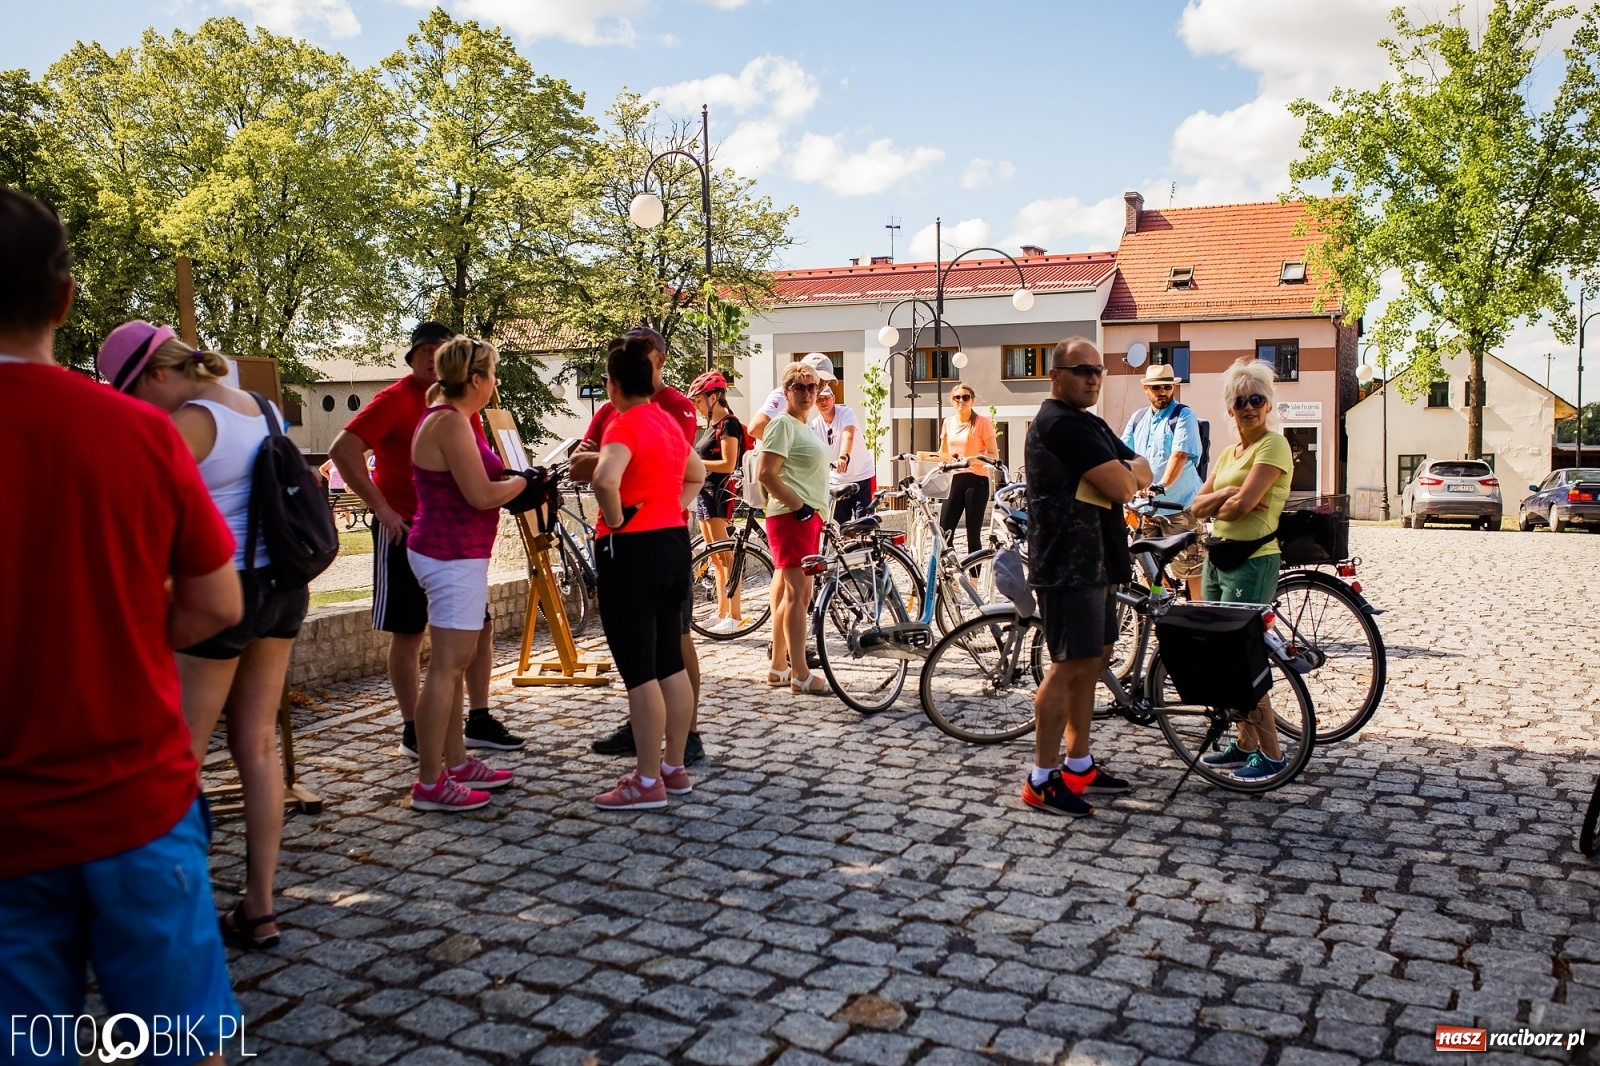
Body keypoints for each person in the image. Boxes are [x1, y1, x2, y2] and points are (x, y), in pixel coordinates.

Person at [0, 187, 245, 1063]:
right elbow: (219, 604)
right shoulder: (138, 434)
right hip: (133, 796)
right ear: (64, 301)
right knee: (184, 1044)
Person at [95, 321, 307, 948]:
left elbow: (139, 515)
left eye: (132, 392)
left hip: (223, 594)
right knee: (259, 747)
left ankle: (170, 913)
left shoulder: (186, 423)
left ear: (156, 374)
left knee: (180, 756)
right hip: (284, 591)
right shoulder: (263, 407)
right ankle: (260, 907)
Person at [328, 322, 523, 759]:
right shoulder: (397, 400)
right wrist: (381, 507)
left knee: (478, 632)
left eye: (442, 350)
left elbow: (476, 470)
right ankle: (416, 729)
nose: (433, 359)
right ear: (414, 356)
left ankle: (476, 719)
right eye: (426, 351)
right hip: (411, 531)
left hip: (457, 541)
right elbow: (343, 450)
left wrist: (509, 479)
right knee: (410, 633)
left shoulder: (457, 409)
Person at [1023, 338, 1151, 817]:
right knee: (1069, 665)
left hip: (1099, 559)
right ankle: (1041, 778)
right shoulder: (1058, 423)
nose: (1093, 378)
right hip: (1068, 564)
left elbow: (1145, 466)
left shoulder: (1090, 423)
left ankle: (1079, 766)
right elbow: (1124, 483)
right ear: (1056, 375)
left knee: (1094, 658)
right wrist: (1124, 475)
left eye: (1098, 370)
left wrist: (1125, 473)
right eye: (1082, 370)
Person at [575, 327, 707, 765]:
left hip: (632, 548)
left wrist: (616, 519)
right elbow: (697, 475)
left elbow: (602, 478)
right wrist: (670, 505)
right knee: (669, 662)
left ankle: (647, 778)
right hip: (672, 539)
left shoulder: (623, 422)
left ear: (612, 386)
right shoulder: (666, 420)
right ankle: (673, 767)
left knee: (639, 673)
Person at [406, 336, 528, 811]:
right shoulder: (450, 422)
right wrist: (523, 482)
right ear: (475, 379)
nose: (495, 383)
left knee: (453, 667)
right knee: (445, 668)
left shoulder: (453, 418)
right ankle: (430, 782)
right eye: (493, 374)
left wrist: (515, 482)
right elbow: (479, 494)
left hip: (457, 552)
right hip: (450, 554)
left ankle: (455, 762)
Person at [1188, 357, 1295, 782]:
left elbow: (1244, 507)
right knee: (1223, 658)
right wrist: (1230, 490)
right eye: (1240, 401)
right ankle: (1245, 743)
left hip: (1252, 559)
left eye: (1256, 399)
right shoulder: (1232, 452)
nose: (1248, 407)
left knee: (1245, 657)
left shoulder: (1274, 446)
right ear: (1230, 409)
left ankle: (1271, 753)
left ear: (1268, 405)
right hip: (1218, 556)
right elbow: (1197, 506)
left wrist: (1231, 499)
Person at [758, 360, 832, 694]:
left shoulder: (804, 424)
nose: (806, 393)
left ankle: (779, 667)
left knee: (792, 595)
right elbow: (766, 473)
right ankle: (801, 675)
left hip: (803, 517)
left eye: (812, 386)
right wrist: (799, 507)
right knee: (800, 596)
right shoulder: (783, 424)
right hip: (792, 518)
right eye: (799, 387)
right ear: (786, 391)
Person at [1120, 363, 1205, 599]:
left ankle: (1200, 617)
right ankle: (1157, 610)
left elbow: (1179, 455)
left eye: (1167, 387)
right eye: (1157, 387)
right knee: (1147, 564)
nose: (1163, 392)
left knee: (1191, 567)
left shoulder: (1183, 415)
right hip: (1146, 508)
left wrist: (1161, 486)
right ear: (1146, 389)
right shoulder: (1138, 418)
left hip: (1180, 505)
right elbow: (1124, 454)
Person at [688, 370, 747, 635]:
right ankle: (721, 611)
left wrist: (693, 463)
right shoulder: (711, 427)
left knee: (727, 557)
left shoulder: (729, 424)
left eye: (699, 401)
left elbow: (728, 463)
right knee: (715, 560)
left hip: (719, 494)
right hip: (704, 493)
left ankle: (735, 615)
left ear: (713, 397)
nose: (697, 407)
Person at [937, 382, 999, 555]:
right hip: (954, 480)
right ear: (952, 400)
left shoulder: (982, 423)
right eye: (957, 397)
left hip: (976, 481)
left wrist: (972, 460)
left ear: (973, 400)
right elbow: (943, 454)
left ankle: (974, 579)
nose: (961, 401)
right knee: (944, 533)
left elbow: (994, 456)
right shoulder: (948, 423)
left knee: (973, 536)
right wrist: (926, 459)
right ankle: (953, 576)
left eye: (965, 397)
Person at [811, 384, 876, 523]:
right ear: (814, 403)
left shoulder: (846, 413)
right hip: (836, 483)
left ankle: (865, 545)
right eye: (819, 399)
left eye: (826, 398)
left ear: (833, 398)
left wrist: (843, 457)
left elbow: (849, 436)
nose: (823, 402)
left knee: (864, 525)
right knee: (838, 526)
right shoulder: (815, 425)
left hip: (861, 476)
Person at [747, 352, 836, 441]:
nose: (823, 385)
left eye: (827, 381)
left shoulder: (805, 406)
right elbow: (756, 427)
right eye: (820, 379)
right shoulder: (783, 395)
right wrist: (797, 447)